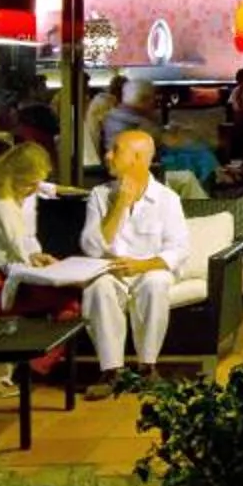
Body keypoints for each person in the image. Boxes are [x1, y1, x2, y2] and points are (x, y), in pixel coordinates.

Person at [0, 142, 123, 387]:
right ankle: (32, 368)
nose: (34, 191)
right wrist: (50, 270)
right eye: (31, 184)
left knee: (70, 298)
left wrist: (37, 259)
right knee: (71, 301)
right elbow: (14, 259)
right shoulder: (1, 207)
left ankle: (32, 366)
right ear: (15, 177)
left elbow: (12, 253)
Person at [76, 130, 188, 391]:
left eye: (115, 150)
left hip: (150, 270)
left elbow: (179, 249)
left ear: (137, 158)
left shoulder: (167, 199)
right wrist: (121, 204)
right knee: (98, 287)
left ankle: (147, 367)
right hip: (111, 272)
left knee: (155, 284)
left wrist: (142, 265)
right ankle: (111, 372)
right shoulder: (100, 195)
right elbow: (92, 248)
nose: (107, 155)